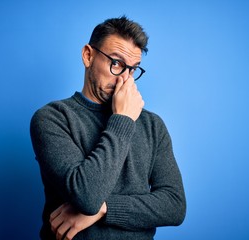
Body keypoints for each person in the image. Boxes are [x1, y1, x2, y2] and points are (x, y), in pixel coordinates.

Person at [30, 16, 186, 240]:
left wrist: (105, 209)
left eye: (132, 69)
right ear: (88, 55)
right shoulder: (53, 118)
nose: (124, 78)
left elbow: (175, 206)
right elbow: (88, 197)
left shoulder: (153, 126)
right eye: (116, 63)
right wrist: (122, 118)